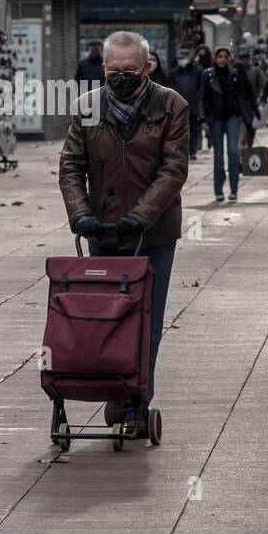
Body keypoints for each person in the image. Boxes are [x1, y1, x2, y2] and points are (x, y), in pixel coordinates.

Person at [59, 30, 189, 435]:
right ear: (103, 68)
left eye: (129, 70)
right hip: (104, 232)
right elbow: (70, 168)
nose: (121, 77)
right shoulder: (87, 108)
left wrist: (142, 217)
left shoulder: (171, 106)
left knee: (147, 322)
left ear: (147, 67)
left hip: (153, 236)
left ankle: (136, 402)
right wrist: (81, 215)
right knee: (107, 319)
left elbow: (173, 170)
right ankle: (116, 394)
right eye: (113, 70)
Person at [198, 45, 255, 201]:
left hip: (232, 117)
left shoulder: (235, 74)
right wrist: (202, 119)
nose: (222, 59)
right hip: (215, 119)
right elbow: (202, 98)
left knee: (233, 152)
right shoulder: (207, 75)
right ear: (215, 58)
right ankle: (218, 190)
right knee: (218, 155)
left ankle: (234, 189)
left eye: (225, 56)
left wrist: (246, 117)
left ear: (229, 58)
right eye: (219, 56)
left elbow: (241, 97)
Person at [170, 48, 204, 160]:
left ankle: (192, 151)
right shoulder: (174, 72)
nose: (183, 60)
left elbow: (201, 88)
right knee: (180, 130)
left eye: (184, 58)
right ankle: (182, 151)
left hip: (194, 105)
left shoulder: (198, 71)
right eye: (180, 58)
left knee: (194, 130)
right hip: (179, 107)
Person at [237, 48, 266, 146]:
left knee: (251, 129)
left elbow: (262, 85)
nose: (244, 61)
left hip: (251, 104)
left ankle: (249, 147)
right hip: (239, 106)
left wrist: (259, 97)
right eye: (242, 59)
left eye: (246, 59)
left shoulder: (256, 71)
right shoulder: (235, 71)